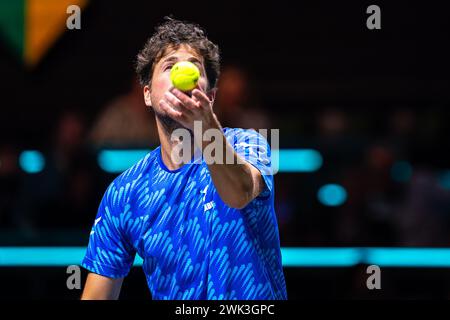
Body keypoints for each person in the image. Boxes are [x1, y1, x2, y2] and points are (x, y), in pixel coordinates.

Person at [81, 17, 287, 300]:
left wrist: (204, 124)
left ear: (210, 96)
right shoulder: (125, 193)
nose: (182, 70)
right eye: (169, 65)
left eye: (193, 65)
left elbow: (239, 193)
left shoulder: (247, 144)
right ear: (147, 95)